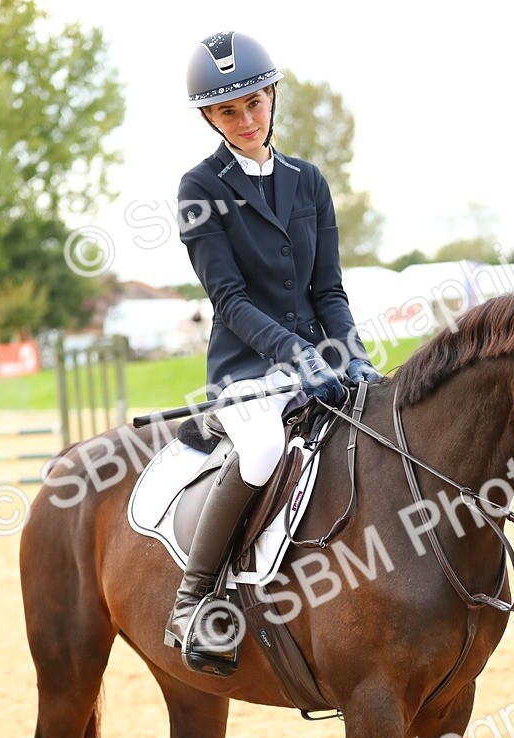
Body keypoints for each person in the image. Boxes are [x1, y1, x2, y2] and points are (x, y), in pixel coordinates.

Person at [164, 31, 380, 671]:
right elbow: (228, 299)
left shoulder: (309, 182)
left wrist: (351, 354)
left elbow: (329, 289)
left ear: (272, 97)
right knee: (262, 447)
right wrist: (297, 356)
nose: (246, 120)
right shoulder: (198, 187)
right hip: (248, 371)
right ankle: (195, 600)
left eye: (255, 104)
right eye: (228, 111)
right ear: (209, 117)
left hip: (318, 362)